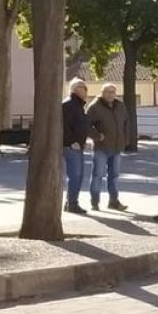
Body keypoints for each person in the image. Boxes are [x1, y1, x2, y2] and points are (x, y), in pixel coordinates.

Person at [86, 83, 130, 212]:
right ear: (102, 93)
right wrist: (97, 136)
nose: (110, 94)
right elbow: (86, 125)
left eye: (113, 92)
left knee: (114, 175)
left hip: (117, 147)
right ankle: (95, 202)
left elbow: (126, 123)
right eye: (108, 92)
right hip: (101, 147)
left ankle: (114, 201)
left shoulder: (120, 106)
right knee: (98, 175)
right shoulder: (94, 107)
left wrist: (126, 140)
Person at [62, 78, 91, 214]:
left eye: (85, 87)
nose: (84, 89)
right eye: (80, 87)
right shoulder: (68, 104)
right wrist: (71, 141)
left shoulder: (79, 106)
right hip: (71, 146)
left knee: (78, 175)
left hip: (78, 146)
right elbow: (64, 126)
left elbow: (81, 126)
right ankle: (72, 203)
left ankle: (72, 202)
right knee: (75, 175)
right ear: (73, 89)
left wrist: (83, 141)